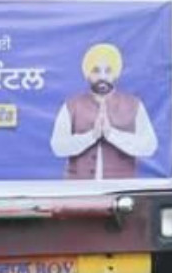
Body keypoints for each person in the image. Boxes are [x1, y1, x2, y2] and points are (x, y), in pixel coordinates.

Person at [49, 43, 158, 179]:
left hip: (121, 187)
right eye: (96, 71)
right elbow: (58, 147)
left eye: (108, 71)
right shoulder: (71, 105)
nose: (102, 76)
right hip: (79, 186)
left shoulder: (134, 105)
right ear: (88, 75)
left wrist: (111, 135)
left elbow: (149, 146)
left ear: (115, 74)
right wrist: (91, 136)